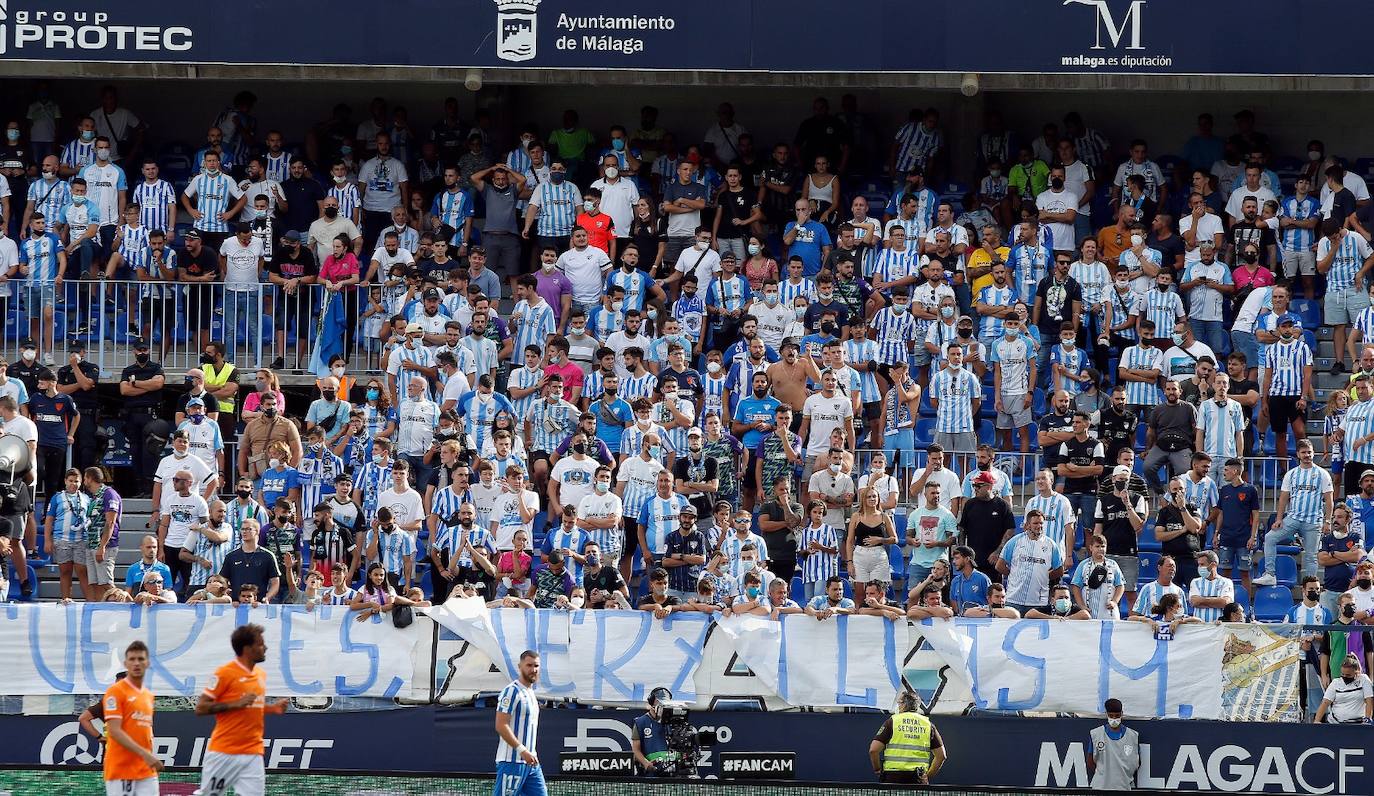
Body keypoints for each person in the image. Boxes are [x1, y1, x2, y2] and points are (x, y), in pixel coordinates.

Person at [194, 624, 289, 796]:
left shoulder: (261, 674)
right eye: (260, 644)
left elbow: (252, 707)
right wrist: (235, 704)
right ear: (247, 649)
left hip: (253, 752)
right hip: (224, 752)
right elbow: (200, 708)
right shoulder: (224, 673)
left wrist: (272, 709)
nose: (265, 647)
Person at [1254, 439, 1333, 586]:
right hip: (1293, 518)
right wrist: (1279, 519)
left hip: (1313, 521)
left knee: (1311, 557)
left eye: (1309, 452)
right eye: (1303, 452)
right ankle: (1270, 574)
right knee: (1270, 538)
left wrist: (1327, 521)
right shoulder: (1291, 474)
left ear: (1313, 452)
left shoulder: (1322, 474)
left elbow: (1329, 500)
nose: (1307, 455)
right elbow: (1283, 498)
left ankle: (1310, 587)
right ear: (1298, 454)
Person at [102, 641, 163, 795]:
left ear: (147, 663)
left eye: (141, 659)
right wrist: (144, 754)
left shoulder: (148, 695)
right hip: (122, 768)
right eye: (132, 659)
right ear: (126, 663)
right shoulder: (115, 691)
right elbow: (114, 730)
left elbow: (145, 730)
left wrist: (148, 754)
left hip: (146, 770)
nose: (136, 663)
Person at [494, 650, 547, 796]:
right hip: (512, 761)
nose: (533, 670)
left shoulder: (530, 693)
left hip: (531, 763)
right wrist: (522, 750)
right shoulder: (511, 691)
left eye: (536, 666)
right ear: (520, 666)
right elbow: (500, 724)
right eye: (529, 665)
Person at [996, 510, 1066, 616]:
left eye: (1041, 523)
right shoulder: (1015, 541)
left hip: (1039, 602)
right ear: (1028, 525)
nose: (1039, 526)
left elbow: (1060, 570)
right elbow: (999, 565)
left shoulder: (1051, 545)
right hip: (1014, 599)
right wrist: (1013, 574)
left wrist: (1044, 577)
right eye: (1035, 523)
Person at [869, 691, 945, 784]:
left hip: (892, 778)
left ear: (904, 705)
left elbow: (873, 750)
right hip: (917, 779)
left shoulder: (892, 721)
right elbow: (941, 756)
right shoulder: (927, 724)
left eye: (899, 703)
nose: (898, 705)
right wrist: (927, 776)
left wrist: (877, 770)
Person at [1087, 698, 1139, 790]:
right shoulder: (1096, 734)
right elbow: (1090, 762)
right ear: (1106, 714)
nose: (1114, 719)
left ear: (1122, 714)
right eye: (1111, 716)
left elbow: (1136, 763)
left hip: (1124, 787)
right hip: (1101, 787)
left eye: (1117, 715)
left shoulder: (1132, 736)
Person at [1314, 655, 1374, 724]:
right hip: (1336, 723)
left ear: (1356, 671)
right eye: (1343, 674)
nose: (1345, 677)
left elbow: (1369, 701)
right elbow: (1325, 703)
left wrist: (1367, 720)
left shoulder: (1364, 680)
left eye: (1348, 675)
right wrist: (1317, 720)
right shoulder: (1335, 683)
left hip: (1359, 723)